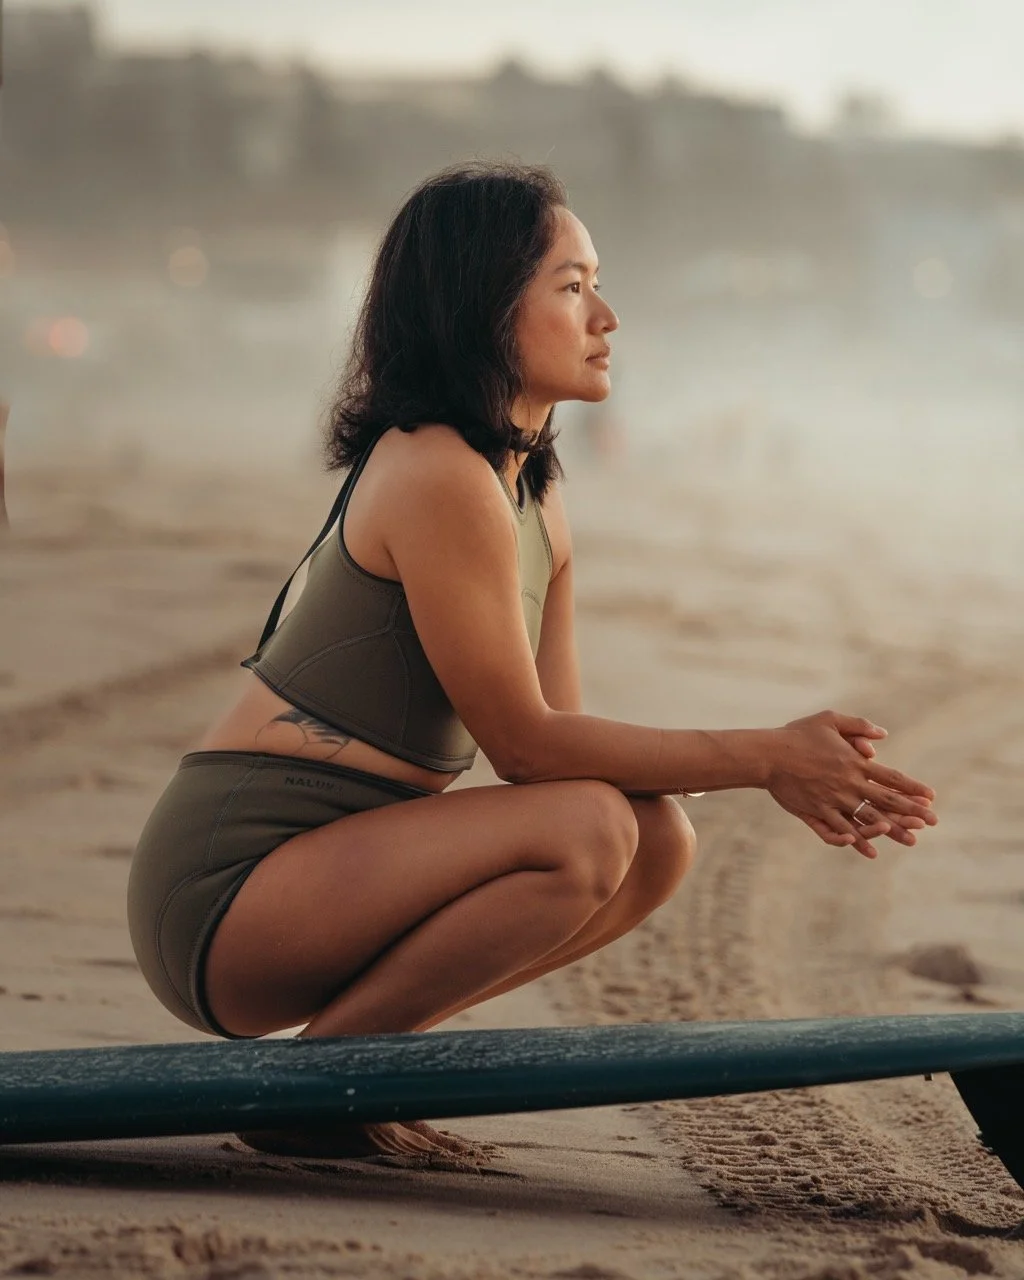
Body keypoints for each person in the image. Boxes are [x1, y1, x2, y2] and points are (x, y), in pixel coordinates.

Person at [127, 162, 937, 1161]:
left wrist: (773, 760)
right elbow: (526, 747)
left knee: (653, 835)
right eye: (569, 284)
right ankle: (316, 1083)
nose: (605, 315)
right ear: (482, 305)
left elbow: (564, 740)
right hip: (224, 890)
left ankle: (349, 1067)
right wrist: (768, 754)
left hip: (332, 876)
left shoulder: (530, 495)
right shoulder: (434, 469)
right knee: (590, 825)